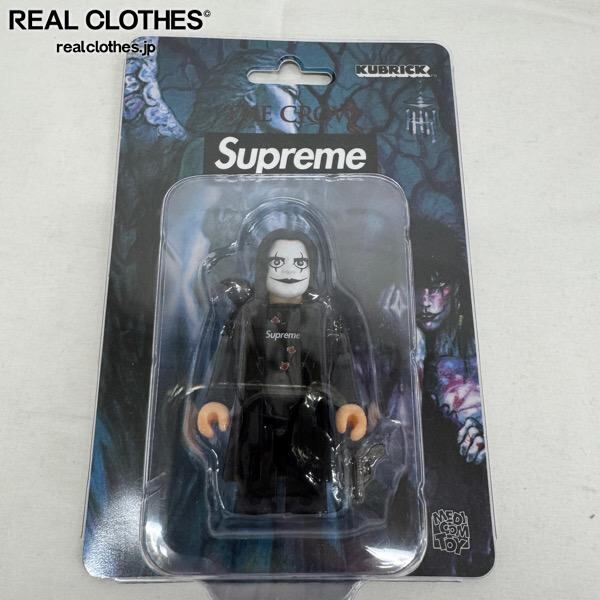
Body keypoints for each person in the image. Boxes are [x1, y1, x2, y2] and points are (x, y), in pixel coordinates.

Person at [197, 229, 367, 515]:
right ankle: (249, 516)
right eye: (277, 262)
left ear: (312, 269)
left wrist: (348, 403)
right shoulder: (249, 314)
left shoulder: (323, 317)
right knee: (253, 481)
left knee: (309, 482)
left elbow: (340, 361)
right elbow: (229, 357)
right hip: (256, 413)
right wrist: (217, 400)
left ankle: (308, 520)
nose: (289, 270)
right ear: (263, 267)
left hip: (309, 414)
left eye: (300, 263)